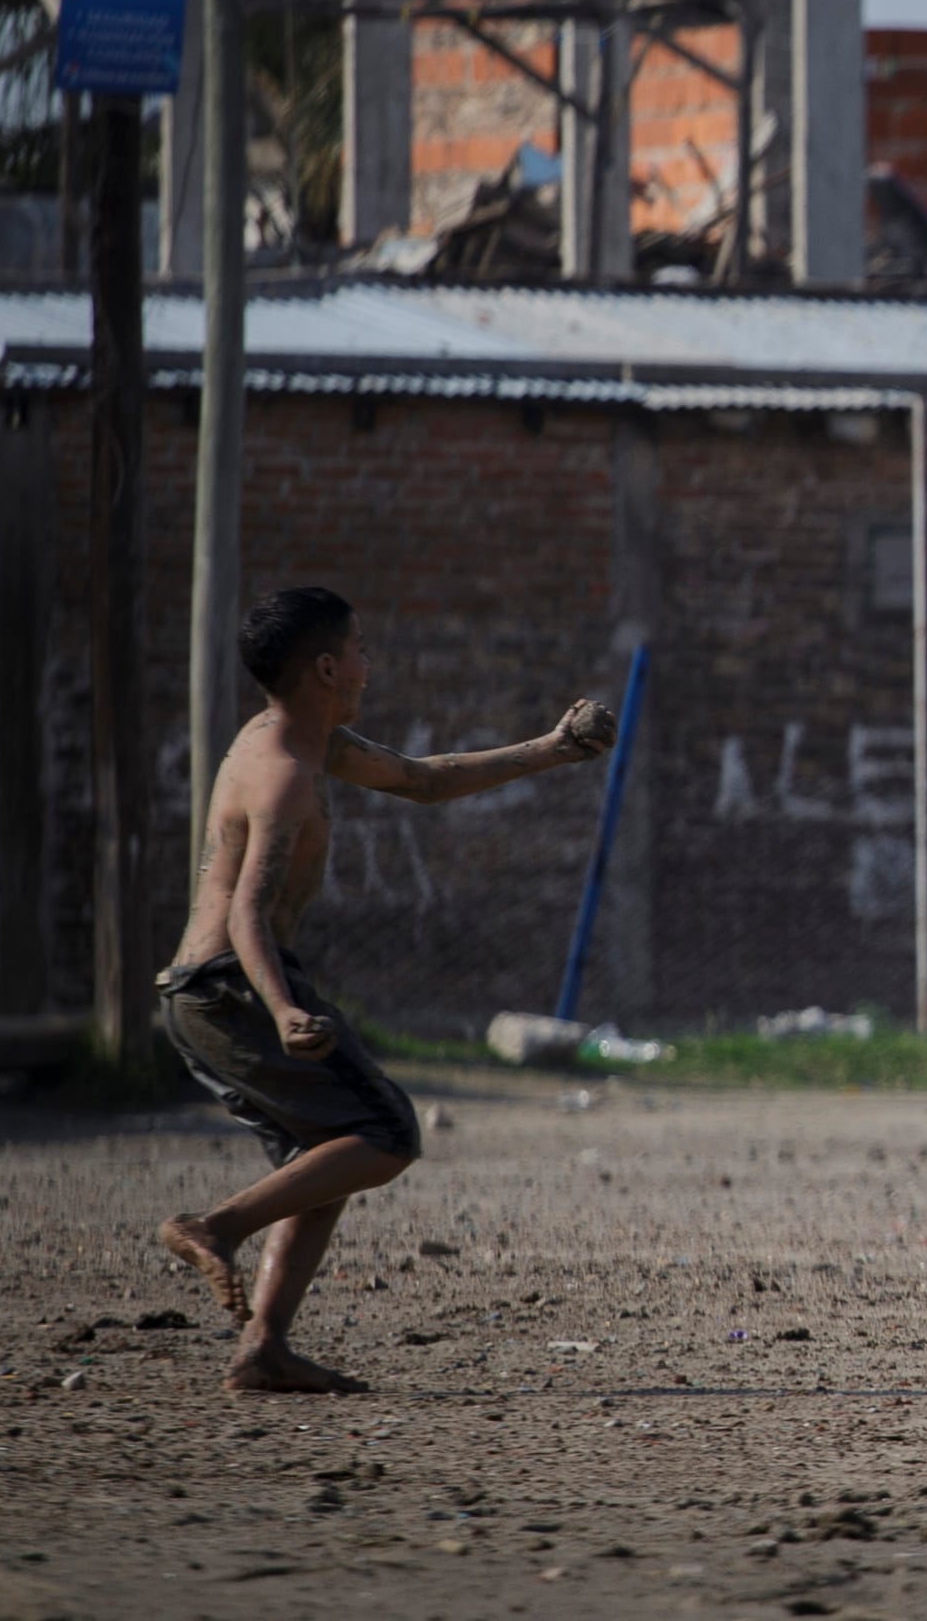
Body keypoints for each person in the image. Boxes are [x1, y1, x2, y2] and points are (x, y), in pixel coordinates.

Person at [156, 587, 616, 1392]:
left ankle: (263, 1350)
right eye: (361, 649)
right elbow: (246, 917)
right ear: (327, 668)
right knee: (387, 1131)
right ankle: (212, 1227)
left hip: (222, 990)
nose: (371, 663)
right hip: (232, 988)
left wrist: (554, 748)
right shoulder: (283, 774)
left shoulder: (301, 738)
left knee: (332, 1153)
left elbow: (420, 779)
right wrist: (286, 1009)